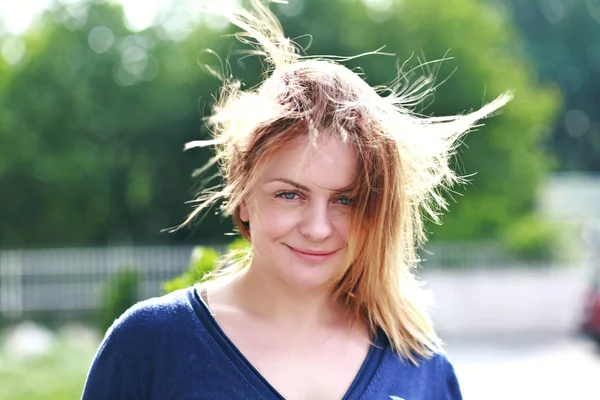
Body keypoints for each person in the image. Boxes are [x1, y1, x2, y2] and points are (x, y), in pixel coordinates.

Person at [82, 1, 511, 399]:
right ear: (243, 197)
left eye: (345, 200)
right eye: (290, 194)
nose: (318, 227)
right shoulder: (148, 347)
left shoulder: (421, 368)